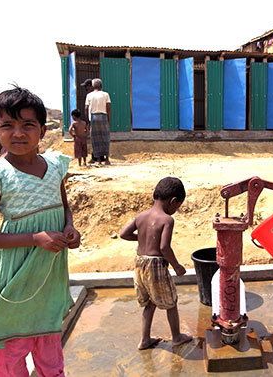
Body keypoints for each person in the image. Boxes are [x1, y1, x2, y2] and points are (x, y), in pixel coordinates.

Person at [0, 86, 80, 376]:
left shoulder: (55, 166)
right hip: (15, 277)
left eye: (28, 125)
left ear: (42, 130)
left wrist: (69, 227)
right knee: (10, 352)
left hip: (49, 277)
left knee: (49, 350)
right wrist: (35, 238)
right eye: (8, 125)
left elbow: (64, 206)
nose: (18, 133)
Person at [119, 177, 193, 350]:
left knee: (149, 302)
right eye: (177, 206)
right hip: (155, 266)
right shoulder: (167, 220)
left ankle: (144, 340)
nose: (176, 210)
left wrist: (143, 237)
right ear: (174, 201)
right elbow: (164, 247)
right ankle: (176, 337)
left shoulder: (141, 216)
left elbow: (123, 234)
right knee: (171, 302)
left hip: (139, 263)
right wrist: (177, 266)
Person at [85, 78, 111, 165]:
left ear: (93, 86)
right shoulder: (106, 94)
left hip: (93, 117)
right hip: (103, 116)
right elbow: (108, 108)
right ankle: (106, 159)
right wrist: (108, 119)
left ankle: (99, 160)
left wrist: (88, 122)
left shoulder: (89, 95)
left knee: (95, 139)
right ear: (101, 85)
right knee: (105, 137)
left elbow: (86, 108)